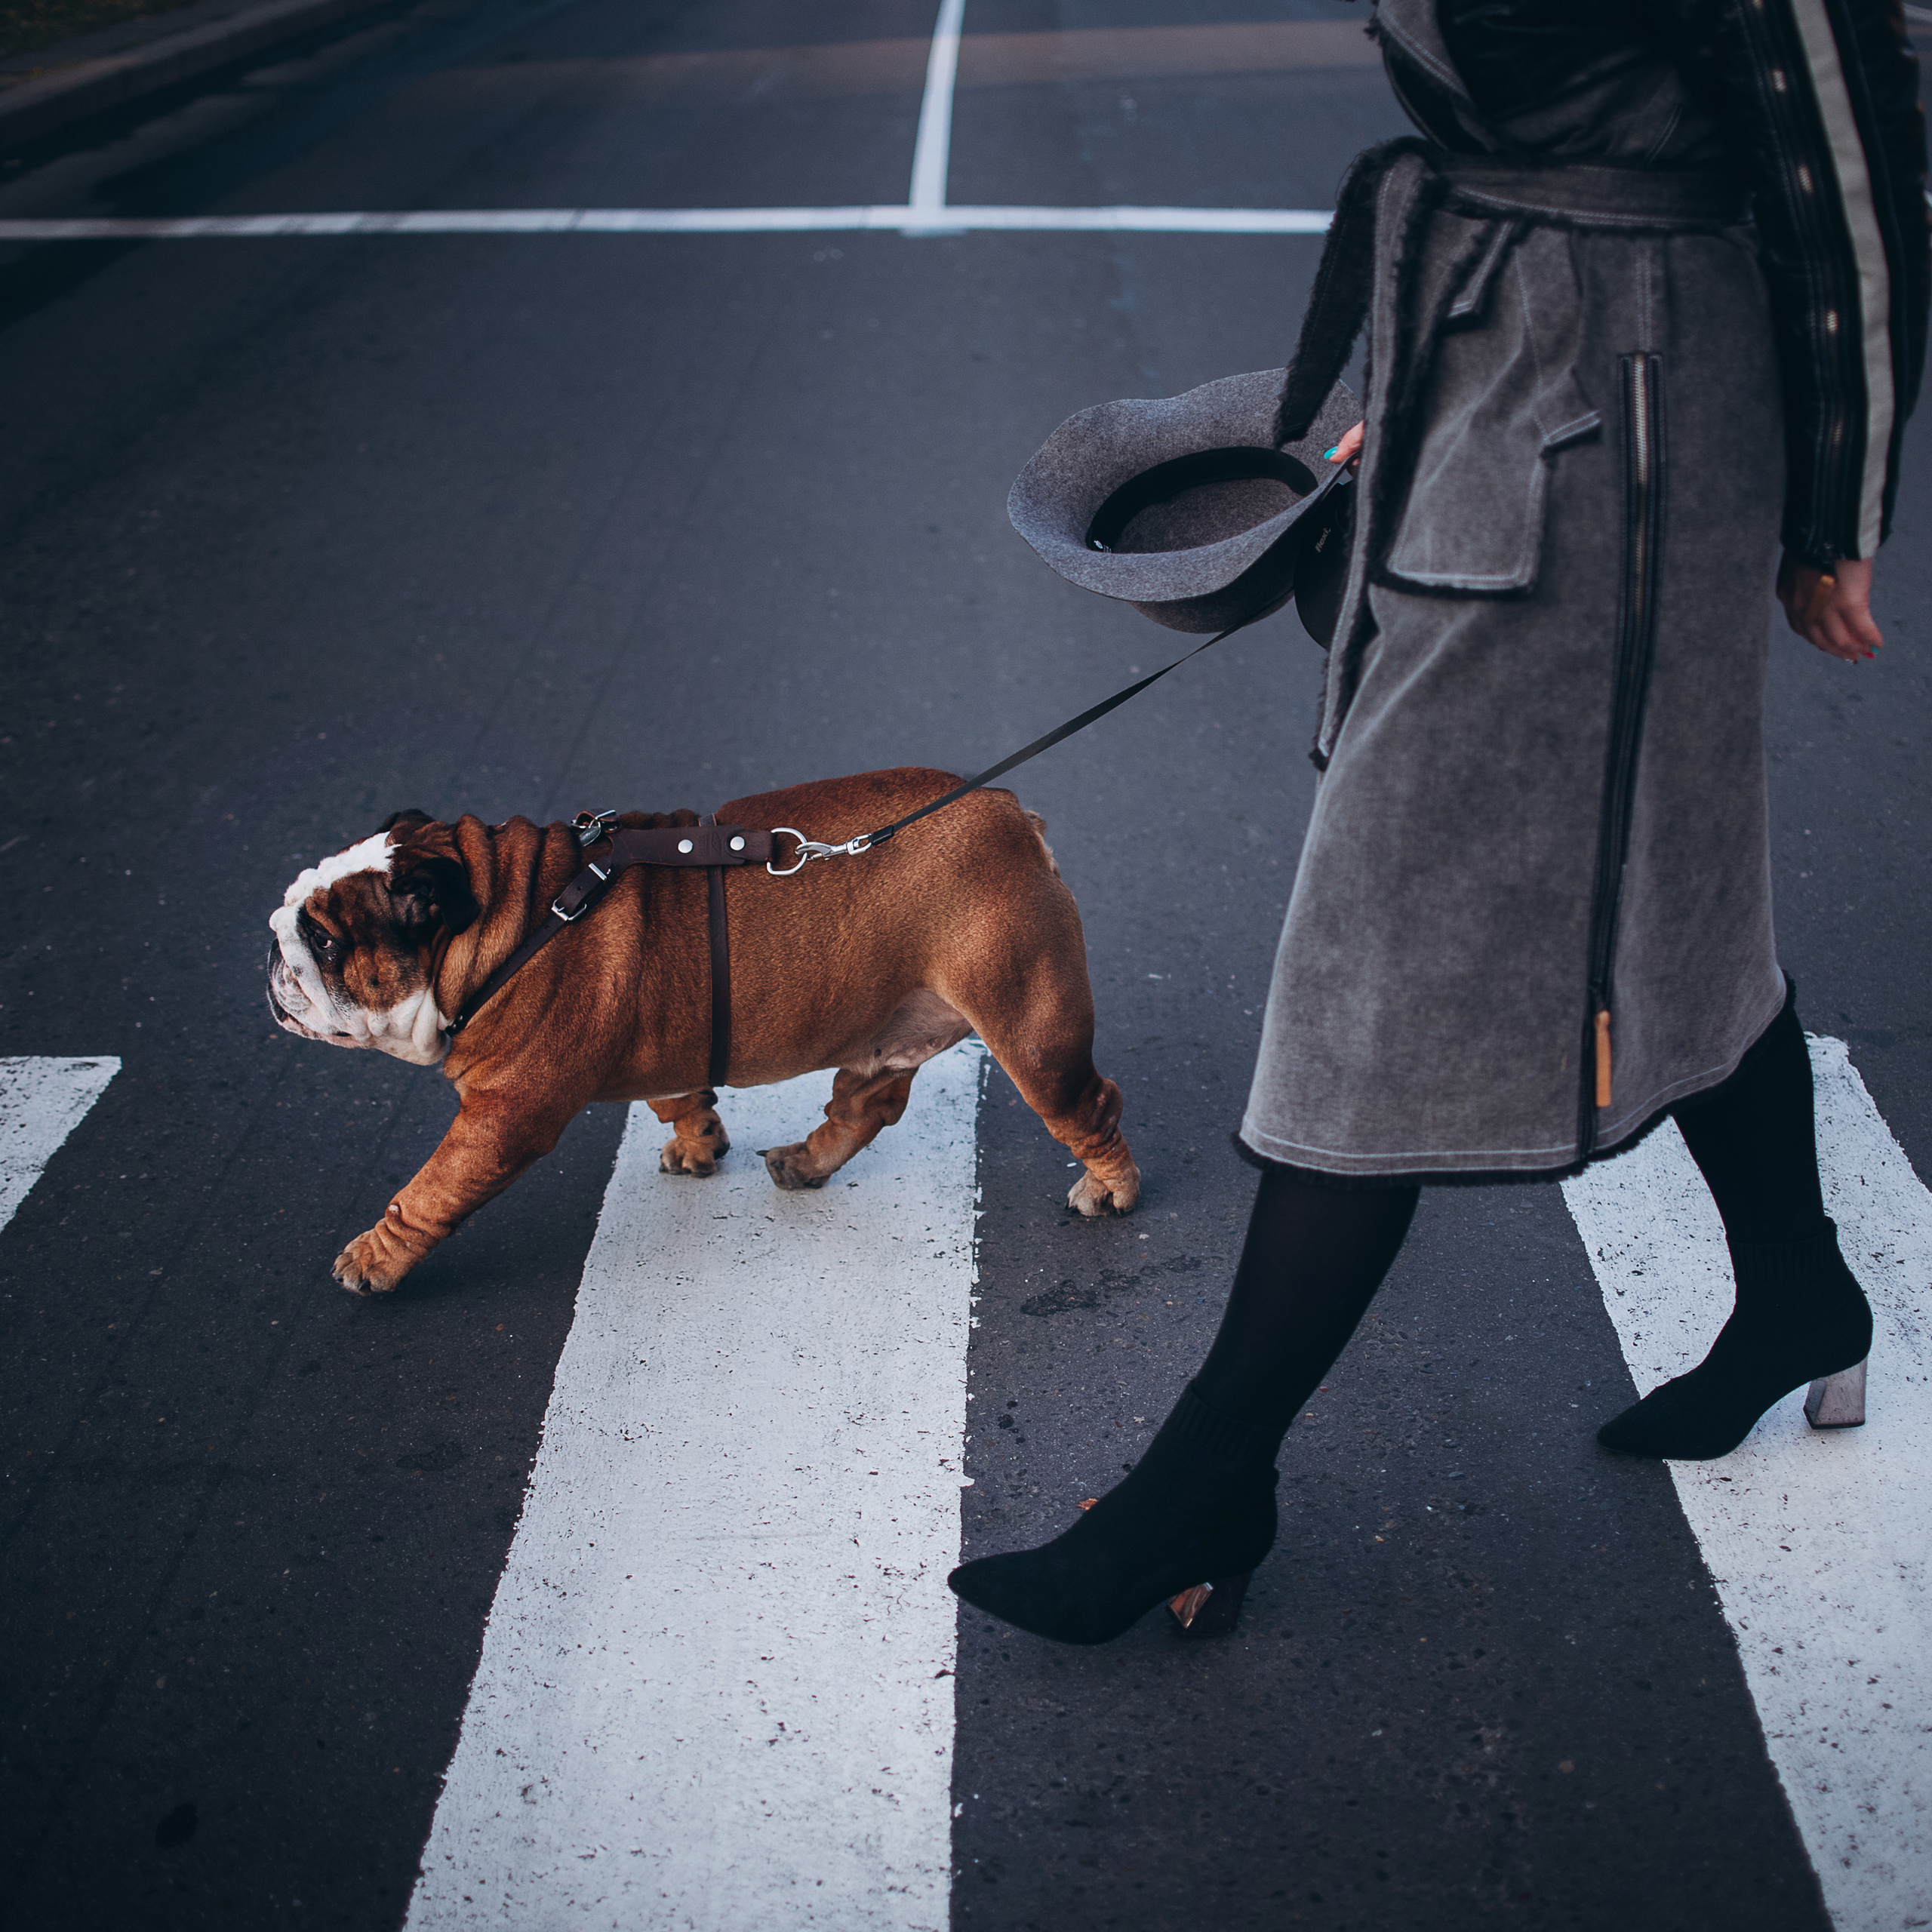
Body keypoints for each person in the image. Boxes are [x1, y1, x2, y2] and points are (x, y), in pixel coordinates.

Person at [949, 0, 1927, 1646]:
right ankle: (1797, 1290)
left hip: (1628, 408)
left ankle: (1211, 1469)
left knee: (1380, 936)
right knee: (1674, 885)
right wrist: (1419, 379)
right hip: (1514, 345)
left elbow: (1852, 143)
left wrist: (1838, 496)